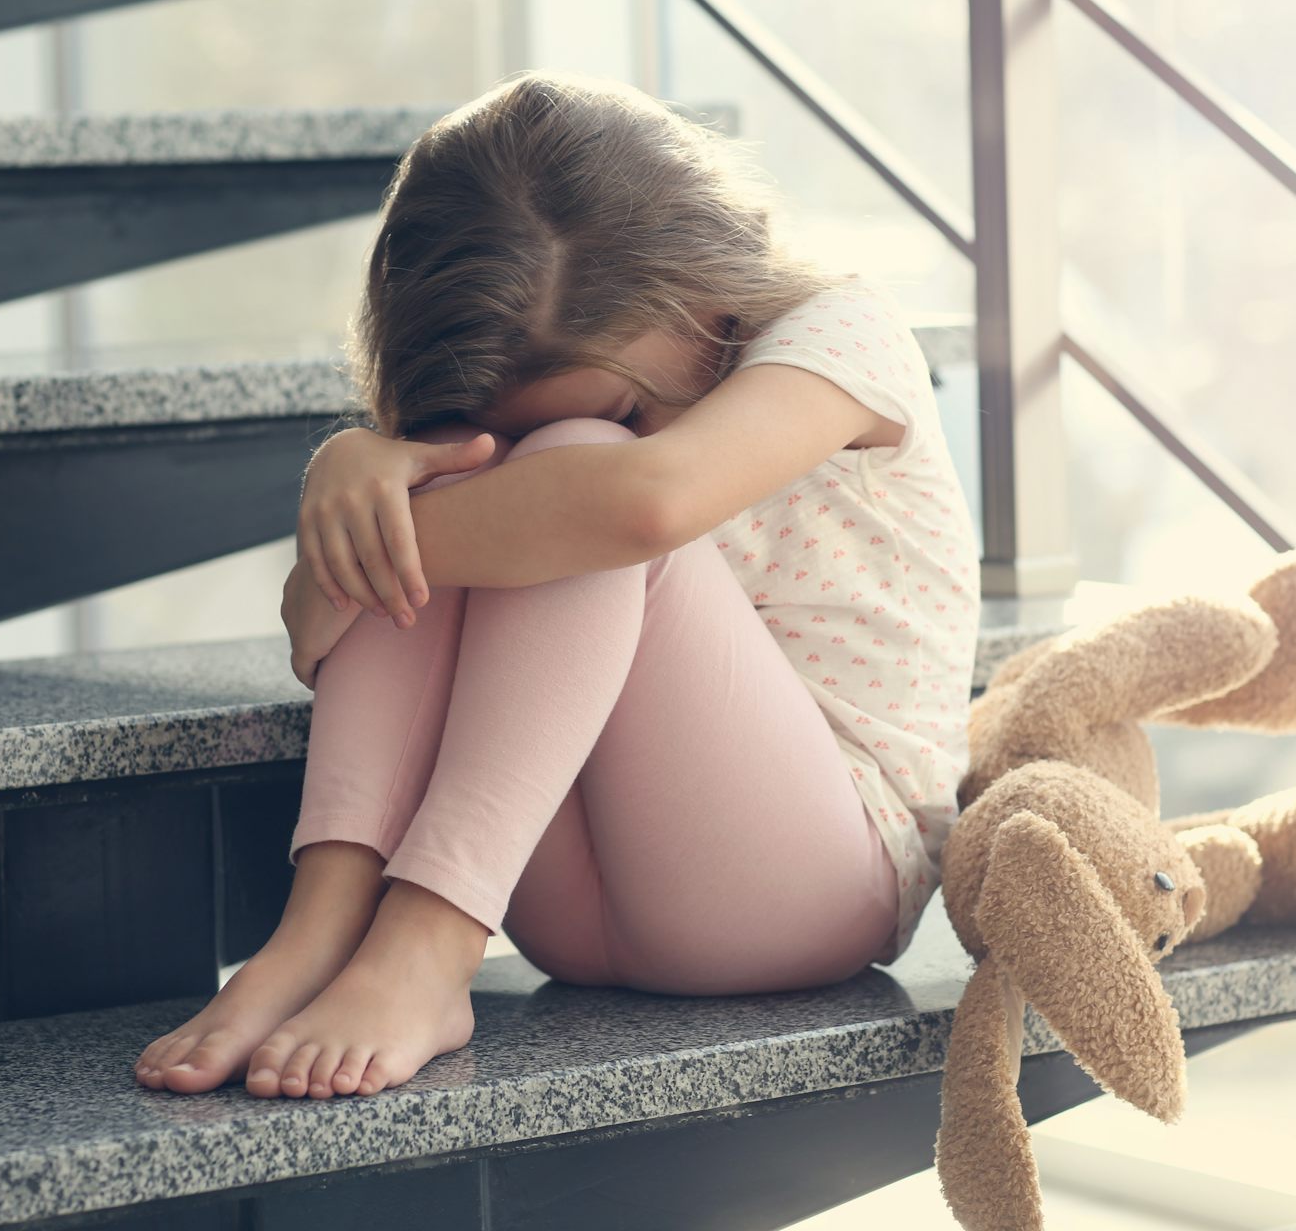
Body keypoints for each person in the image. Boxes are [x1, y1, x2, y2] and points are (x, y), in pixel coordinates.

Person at [133, 69, 981, 1100]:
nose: (614, 426)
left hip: (815, 877)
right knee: (471, 471)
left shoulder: (842, 330)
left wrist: (344, 547)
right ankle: (321, 927)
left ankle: (429, 941)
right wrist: (372, 471)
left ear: (705, 295)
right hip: (566, 889)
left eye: (632, 401)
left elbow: (643, 505)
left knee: (572, 490)